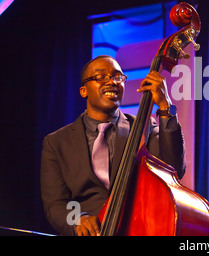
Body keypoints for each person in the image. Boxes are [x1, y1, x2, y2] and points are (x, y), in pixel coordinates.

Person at [40, 55, 185, 236]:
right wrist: (79, 218)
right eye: (100, 77)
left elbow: (175, 169)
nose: (111, 82)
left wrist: (165, 107)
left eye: (117, 77)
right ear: (83, 91)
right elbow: (57, 203)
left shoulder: (145, 129)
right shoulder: (56, 143)